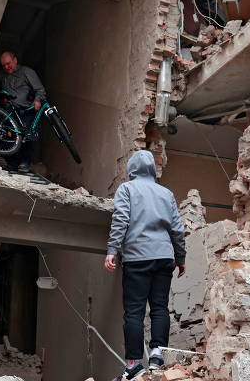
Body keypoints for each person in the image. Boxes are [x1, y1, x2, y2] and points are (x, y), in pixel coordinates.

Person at [104, 150, 186, 381]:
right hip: (163, 257)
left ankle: (133, 364)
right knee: (160, 307)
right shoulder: (166, 193)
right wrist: (180, 258)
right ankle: (157, 354)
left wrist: (112, 250)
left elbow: (121, 219)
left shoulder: (127, 189)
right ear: (152, 168)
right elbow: (177, 230)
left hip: (137, 256)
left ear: (131, 169)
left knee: (134, 312)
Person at [0, 51, 46, 172]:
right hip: (9, 112)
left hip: (26, 110)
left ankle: (25, 162)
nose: (6, 67)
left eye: (8, 64)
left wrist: (37, 100)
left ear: (15, 60)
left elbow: (40, 89)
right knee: (9, 137)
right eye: (3, 65)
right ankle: (12, 164)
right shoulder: (4, 76)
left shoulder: (26, 72)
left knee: (25, 136)